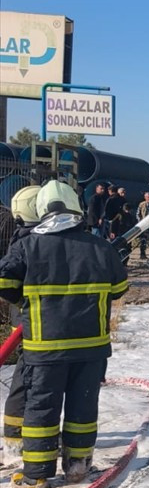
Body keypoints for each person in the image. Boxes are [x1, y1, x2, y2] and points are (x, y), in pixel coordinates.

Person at [0, 180, 128, 488]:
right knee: (83, 410)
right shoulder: (101, 247)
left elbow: (4, 281)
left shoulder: (27, 246)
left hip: (45, 349)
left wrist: (25, 301)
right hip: (91, 348)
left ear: (42, 211)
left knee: (42, 408)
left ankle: (36, 474)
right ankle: (78, 466)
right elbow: (118, 289)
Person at [1, 186, 42, 465]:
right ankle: (15, 439)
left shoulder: (22, 235)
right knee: (27, 376)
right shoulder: (31, 241)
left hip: (28, 315)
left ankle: (18, 436)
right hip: (33, 319)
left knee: (27, 374)